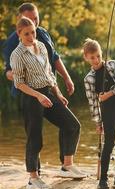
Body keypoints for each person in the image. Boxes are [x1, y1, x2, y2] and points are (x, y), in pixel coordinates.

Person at [10, 17, 85, 189]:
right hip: (31, 97)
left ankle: (67, 166)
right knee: (35, 138)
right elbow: (19, 83)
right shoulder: (17, 54)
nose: (30, 36)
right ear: (19, 34)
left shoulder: (42, 47)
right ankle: (33, 179)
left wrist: (58, 93)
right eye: (26, 33)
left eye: (33, 32)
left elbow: (49, 74)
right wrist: (38, 96)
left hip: (48, 93)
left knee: (72, 125)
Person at [2, 2, 74, 169]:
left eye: (36, 18)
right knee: (34, 136)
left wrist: (66, 78)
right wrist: (25, 77)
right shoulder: (12, 43)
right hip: (28, 93)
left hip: (49, 88)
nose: (34, 22)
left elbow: (54, 58)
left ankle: (66, 164)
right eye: (29, 19)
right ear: (19, 21)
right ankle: (35, 174)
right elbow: (8, 72)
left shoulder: (42, 35)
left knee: (68, 123)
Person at [83, 38, 115, 189]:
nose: (97, 59)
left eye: (98, 55)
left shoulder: (111, 64)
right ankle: (103, 180)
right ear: (86, 58)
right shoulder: (89, 79)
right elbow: (93, 103)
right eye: (92, 57)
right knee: (109, 144)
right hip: (107, 112)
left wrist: (109, 94)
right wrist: (98, 123)